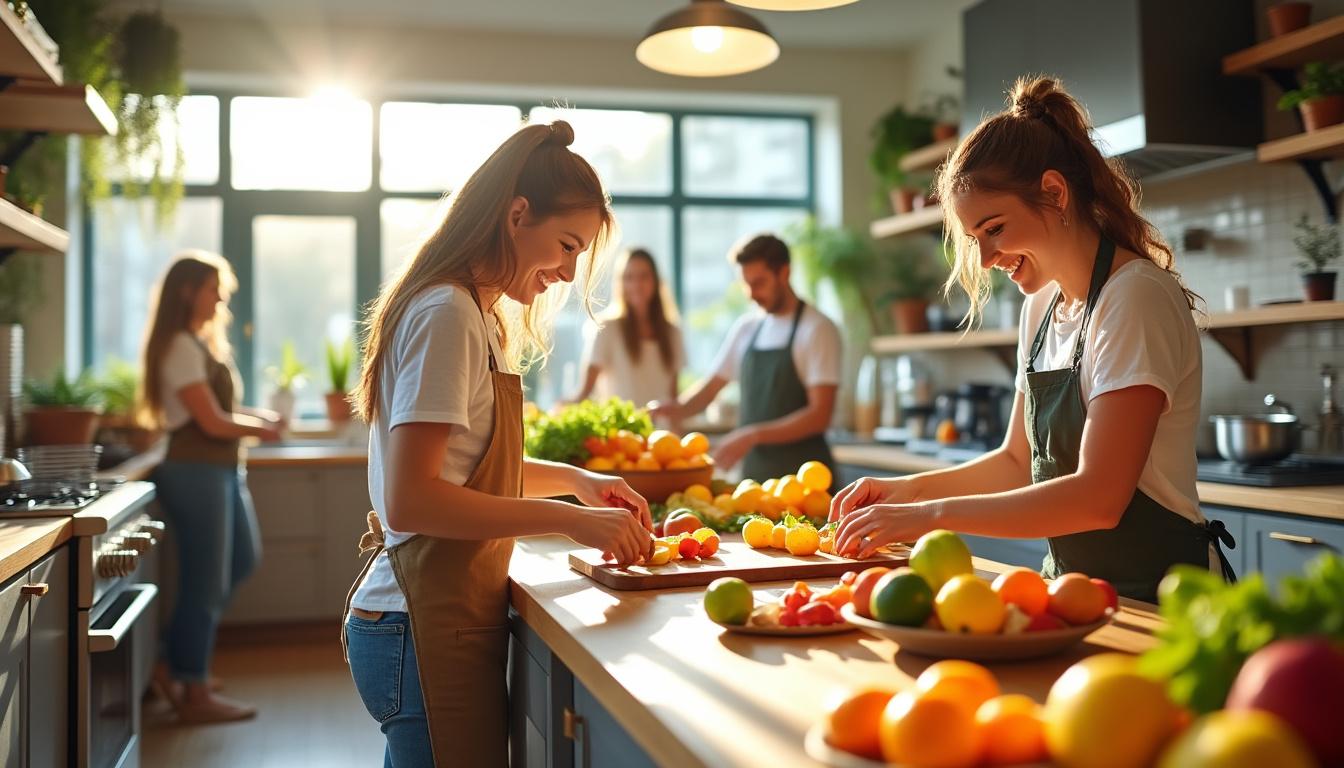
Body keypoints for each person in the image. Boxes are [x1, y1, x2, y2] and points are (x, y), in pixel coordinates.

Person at [829, 76, 1235, 603]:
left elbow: (1099, 497)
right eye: (975, 240)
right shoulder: (1041, 307)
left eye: (994, 228)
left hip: (1162, 601)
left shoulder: (1132, 299)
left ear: (1054, 193)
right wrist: (904, 492)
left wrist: (923, 517)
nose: (987, 258)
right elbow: (1016, 462)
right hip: (1073, 594)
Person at [343, 119, 653, 768]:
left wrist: (578, 480)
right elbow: (413, 501)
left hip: (430, 619)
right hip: (414, 624)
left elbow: (468, 470)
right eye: (566, 247)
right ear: (517, 215)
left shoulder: (475, 314)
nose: (568, 273)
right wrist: (571, 520)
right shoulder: (447, 313)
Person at [138, 251, 284, 723]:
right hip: (195, 472)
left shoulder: (197, 345)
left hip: (218, 470)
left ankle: (174, 663)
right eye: (211, 287)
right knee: (205, 582)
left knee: (240, 560)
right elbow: (211, 422)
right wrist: (259, 429)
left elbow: (220, 416)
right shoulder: (180, 345)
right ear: (187, 291)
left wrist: (259, 419)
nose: (220, 297)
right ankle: (193, 691)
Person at [649, 233, 841, 482]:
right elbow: (711, 389)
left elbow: (820, 416)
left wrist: (752, 434)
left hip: (807, 481)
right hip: (755, 478)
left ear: (784, 273)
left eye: (759, 282)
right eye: (746, 284)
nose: (751, 294)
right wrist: (678, 408)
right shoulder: (747, 328)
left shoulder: (817, 329)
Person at [567, 247, 684, 416]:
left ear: (656, 281)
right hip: (619, 436)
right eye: (629, 278)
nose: (637, 285)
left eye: (644, 276)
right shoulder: (605, 328)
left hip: (661, 437)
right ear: (620, 283)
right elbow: (585, 392)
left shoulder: (673, 333)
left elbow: (673, 399)